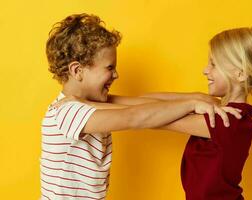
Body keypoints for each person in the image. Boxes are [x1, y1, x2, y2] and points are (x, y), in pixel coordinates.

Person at [41, 13, 240, 200]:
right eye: (110, 67)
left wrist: (197, 98)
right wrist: (191, 104)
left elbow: (143, 102)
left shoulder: (91, 104)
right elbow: (134, 117)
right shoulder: (68, 112)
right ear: (77, 70)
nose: (116, 75)